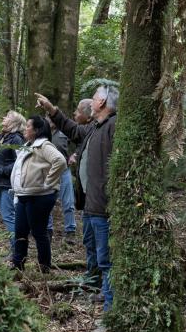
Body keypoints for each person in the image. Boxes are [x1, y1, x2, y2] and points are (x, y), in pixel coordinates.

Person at [35, 86, 118, 311]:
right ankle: (96, 287)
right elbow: (72, 129)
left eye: (93, 99)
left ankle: (111, 310)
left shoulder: (113, 127)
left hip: (103, 206)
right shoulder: (94, 127)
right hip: (90, 204)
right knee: (91, 248)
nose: (90, 103)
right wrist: (52, 110)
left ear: (101, 102)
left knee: (106, 258)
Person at [10, 115, 67, 273]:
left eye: (28, 126)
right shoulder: (28, 145)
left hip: (39, 197)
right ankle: (18, 265)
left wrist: (47, 182)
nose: (25, 129)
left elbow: (60, 161)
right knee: (20, 231)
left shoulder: (44, 146)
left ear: (36, 130)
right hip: (24, 195)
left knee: (38, 232)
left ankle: (44, 268)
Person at [0, 110, 26, 257]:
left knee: (9, 216)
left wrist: (3, 170)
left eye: (8, 116)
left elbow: (21, 160)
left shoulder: (17, 139)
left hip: (7, 183)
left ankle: (17, 251)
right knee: (7, 215)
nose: (4, 117)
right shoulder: (1, 136)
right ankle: (15, 249)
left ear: (15, 123)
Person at [45, 116, 76, 245]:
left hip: (64, 171)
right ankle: (48, 230)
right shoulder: (43, 134)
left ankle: (70, 231)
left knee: (68, 202)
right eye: (48, 119)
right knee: (46, 202)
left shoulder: (65, 133)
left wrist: (75, 154)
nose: (50, 121)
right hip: (48, 171)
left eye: (53, 119)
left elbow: (78, 142)